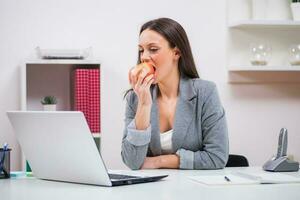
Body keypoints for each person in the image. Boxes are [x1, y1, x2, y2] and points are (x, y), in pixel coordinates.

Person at [121, 18, 228, 170]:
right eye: (141, 50)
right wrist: (144, 106)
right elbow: (132, 161)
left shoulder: (205, 92)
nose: (144, 56)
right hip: (150, 191)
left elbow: (217, 157)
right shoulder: (135, 97)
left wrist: (158, 162)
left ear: (176, 52)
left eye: (153, 49)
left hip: (195, 189)